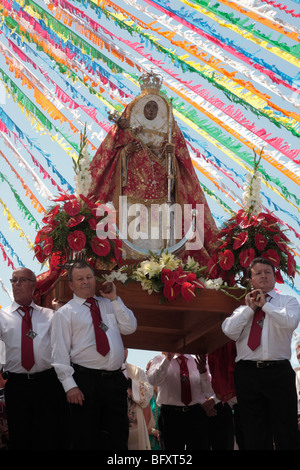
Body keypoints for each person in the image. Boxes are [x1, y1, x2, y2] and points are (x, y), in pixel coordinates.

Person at [88, 70, 218, 263]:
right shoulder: (128, 129)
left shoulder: (169, 132)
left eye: (154, 108)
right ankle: (130, 266)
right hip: (132, 191)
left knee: (159, 232)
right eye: (147, 107)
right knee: (132, 227)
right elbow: (112, 157)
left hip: (161, 191)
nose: (150, 111)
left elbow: (180, 168)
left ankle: (159, 268)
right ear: (141, 109)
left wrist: (169, 155)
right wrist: (127, 151)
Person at [51, 261, 137, 450]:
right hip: (85, 383)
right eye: (80, 279)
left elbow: (130, 328)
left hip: (115, 381)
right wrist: (70, 387)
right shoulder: (65, 313)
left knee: (118, 437)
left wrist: (115, 299)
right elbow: (59, 353)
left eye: (89, 277)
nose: (85, 282)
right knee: (86, 439)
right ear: (71, 285)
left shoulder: (109, 304)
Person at [222, 257, 300, 450]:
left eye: (267, 272)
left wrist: (266, 306)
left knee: (286, 431)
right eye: (258, 273)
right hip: (248, 374)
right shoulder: (242, 309)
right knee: (254, 433)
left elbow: (291, 321)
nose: (263, 276)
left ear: (274, 277)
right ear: (250, 280)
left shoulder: (287, 301)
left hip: (279, 372)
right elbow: (229, 331)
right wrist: (251, 309)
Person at [0, 267, 69, 450]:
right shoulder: (2, 317)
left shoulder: (49, 315)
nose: (16, 284)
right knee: (20, 439)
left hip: (48, 384)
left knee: (50, 438)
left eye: (22, 280)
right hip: (17, 385)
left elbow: (62, 350)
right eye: (13, 280)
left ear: (33, 286)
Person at [146, 352, 216, 450]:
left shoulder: (198, 360)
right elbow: (153, 381)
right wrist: (167, 360)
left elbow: (209, 391)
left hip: (196, 414)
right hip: (170, 416)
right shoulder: (159, 359)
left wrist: (203, 371)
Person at [123, 348, 153, 450]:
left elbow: (149, 393)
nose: (124, 351)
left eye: (125, 348)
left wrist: (131, 384)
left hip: (133, 424)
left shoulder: (136, 371)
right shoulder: (103, 370)